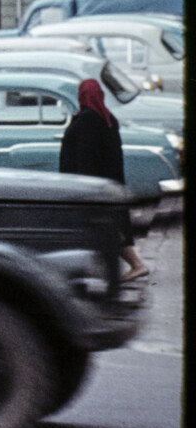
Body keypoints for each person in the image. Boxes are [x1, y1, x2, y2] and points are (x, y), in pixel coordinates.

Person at [59, 77, 150, 281]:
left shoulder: (87, 119)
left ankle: (134, 265)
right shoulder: (107, 118)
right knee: (106, 229)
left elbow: (85, 157)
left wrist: (83, 187)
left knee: (104, 229)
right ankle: (114, 269)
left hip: (90, 186)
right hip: (109, 183)